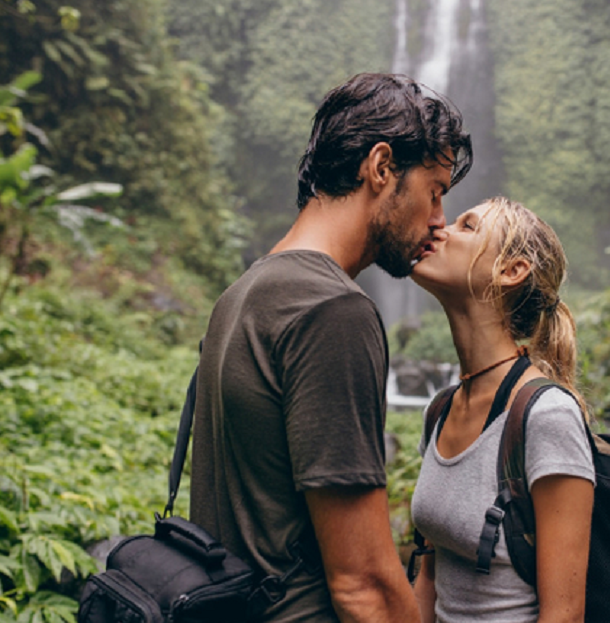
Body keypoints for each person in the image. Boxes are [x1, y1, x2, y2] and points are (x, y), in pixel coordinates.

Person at [189, 73, 472, 623]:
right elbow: (363, 585)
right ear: (382, 167)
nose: (439, 220)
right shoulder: (331, 311)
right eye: (435, 192)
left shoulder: (242, 294)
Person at [409, 196, 595, 623]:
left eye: (467, 226)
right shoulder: (440, 411)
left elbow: (564, 616)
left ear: (511, 271)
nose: (440, 229)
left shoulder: (546, 416)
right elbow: (430, 579)